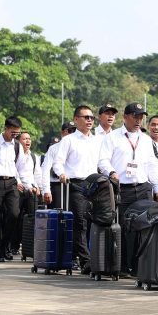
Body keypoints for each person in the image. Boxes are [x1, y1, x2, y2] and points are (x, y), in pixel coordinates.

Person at [98, 103, 158, 273]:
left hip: (142, 188)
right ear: (125, 117)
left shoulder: (146, 139)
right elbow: (103, 160)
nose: (138, 120)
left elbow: (152, 165)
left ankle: (138, 265)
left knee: (142, 227)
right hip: (122, 188)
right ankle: (121, 265)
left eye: (141, 117)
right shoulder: (112, 137)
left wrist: (157, 189)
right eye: (135, 116)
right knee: (123, 227)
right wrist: (111, 172)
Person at [52, 105, 104, 272]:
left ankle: (95, 256)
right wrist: (62, 174)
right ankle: (85, 260)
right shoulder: (69, 140)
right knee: (80, 223)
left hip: (95, 184)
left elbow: (102, 162)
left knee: (95, 222)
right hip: (76, 184)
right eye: (85, 117)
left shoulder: (97, 140)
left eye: (91, 118)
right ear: (76, 119)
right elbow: (57, 163)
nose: (89, 120)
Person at [0, 116, 35, 262]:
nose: (14, 135)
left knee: (14, 214)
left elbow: (22, 168)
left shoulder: (17, 146)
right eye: (13, 132)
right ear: (6, 128)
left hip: (11, 183)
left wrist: (28, 185)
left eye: (17, 133)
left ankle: (6, 246)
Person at [9, 131, 41, 256]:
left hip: (31, 191)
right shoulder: (14, 155)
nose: (28, 141)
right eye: (24, 139)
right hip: (18, 189)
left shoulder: (34, 156)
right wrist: (17, 182)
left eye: (29, 139)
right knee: (15, 217)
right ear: (18, 141)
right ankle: (13, 246)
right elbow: (13, 170)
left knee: (32, 219)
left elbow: (37, 174)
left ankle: (30, 248)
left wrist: (38, 187)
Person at [42, 122, 75, 209]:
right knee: (57, 216)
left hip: (74, 185)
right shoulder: (53, 148)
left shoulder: (78, 146)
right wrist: (46, 190)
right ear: (63, 132)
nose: (73, 133)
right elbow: (45, 169)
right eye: (70, 131)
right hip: (57, 185)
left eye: (75, 131)